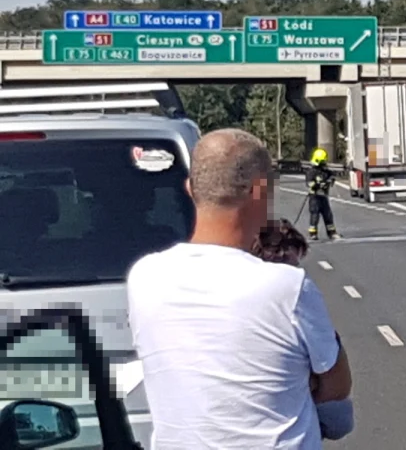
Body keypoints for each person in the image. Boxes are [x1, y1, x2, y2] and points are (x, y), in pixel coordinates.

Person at [127, 128, 353, 449]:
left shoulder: (144, 278)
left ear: (191, 190)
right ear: (259, 191)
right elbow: (336, 387)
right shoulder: (287, 288)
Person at [252, 218, 355, 441]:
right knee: (340, 417)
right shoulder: (297, 287)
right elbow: (332, 371)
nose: (282, 255)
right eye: (274, 249)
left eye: (288, 248)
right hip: (288, 400)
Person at [306, 147, 340, 241]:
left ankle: (332, 233)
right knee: (315, 215)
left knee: (328, 215)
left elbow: (331, 174)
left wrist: (331, 178)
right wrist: (318, 184)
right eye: (322, 162)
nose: (324, 164)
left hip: (323, 197)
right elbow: (309, 184)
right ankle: (313, 233)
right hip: (315, 197)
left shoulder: (324, 171)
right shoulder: (311, 172)